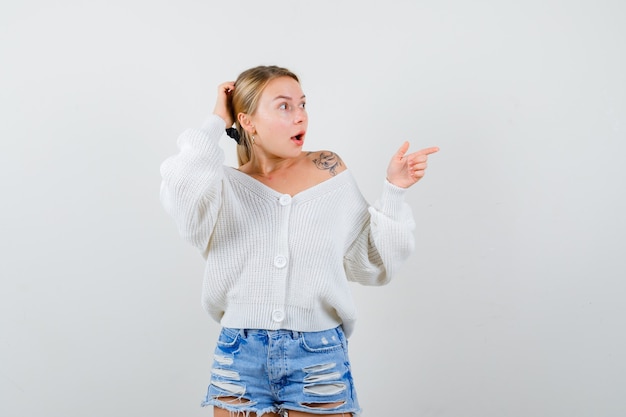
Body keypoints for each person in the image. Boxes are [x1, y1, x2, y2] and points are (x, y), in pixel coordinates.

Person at [160, 65, 439, 417]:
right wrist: (218, 118)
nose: (300, 117)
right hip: (239, 355)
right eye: (284, 106)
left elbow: (374, 262)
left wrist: (394, 190)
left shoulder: (329, 170)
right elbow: (179, 184)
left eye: (302, 104)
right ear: (247, 121)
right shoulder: (220, 187)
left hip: (317, 355)